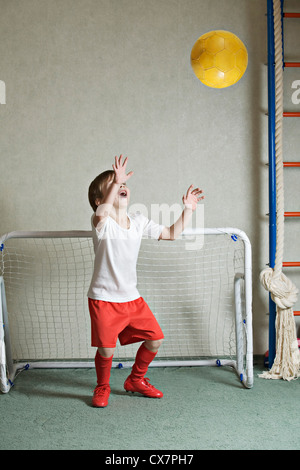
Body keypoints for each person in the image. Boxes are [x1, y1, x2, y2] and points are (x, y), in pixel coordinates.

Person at [87, 155, 204, 407]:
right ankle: (102, 386)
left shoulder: (138, 221)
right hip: (103, 298)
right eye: (113, 185)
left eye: (122, 184)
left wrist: (188, 210)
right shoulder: (101, 222)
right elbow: (102, 214)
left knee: (155, 338)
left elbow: (172, 234)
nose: (121, 186)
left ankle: (135, 380)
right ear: (99, 200)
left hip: (131, 298)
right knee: (106, 350)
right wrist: (116, 181)